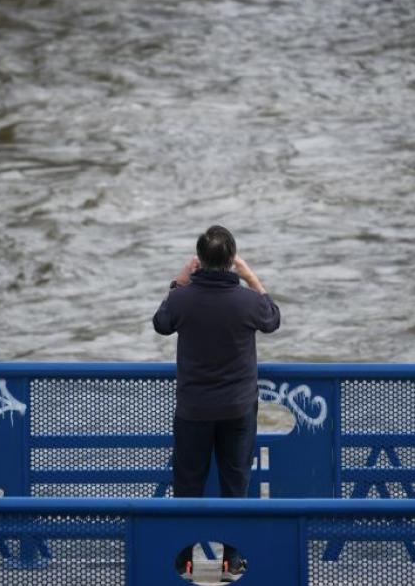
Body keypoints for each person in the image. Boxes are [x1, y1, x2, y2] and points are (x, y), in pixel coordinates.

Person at [153, 225, 281, 582]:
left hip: (193, 408)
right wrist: (250, 274)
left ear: (199, 261)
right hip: (238, 408)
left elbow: (161, 324)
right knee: (235, 481)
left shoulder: (182, 298)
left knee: (188, 484)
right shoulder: (248, 302)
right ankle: (232, 561)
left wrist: (179, 280)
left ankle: (184, 561)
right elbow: (273, 318)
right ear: (231, 261)